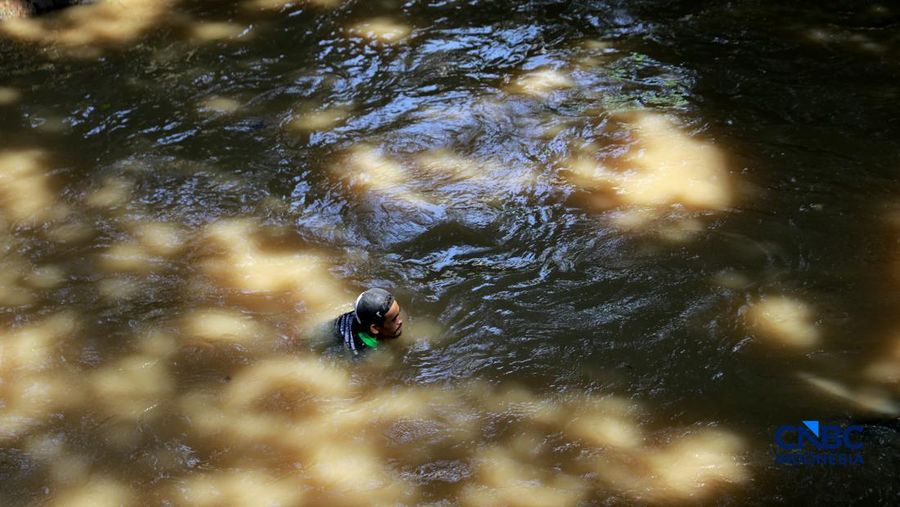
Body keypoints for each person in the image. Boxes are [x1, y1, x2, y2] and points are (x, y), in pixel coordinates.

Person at [333, 288, 403, 355]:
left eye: (398, 314)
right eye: (393, 319)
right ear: (375, 328)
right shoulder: (360, 351)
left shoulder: (364, 315)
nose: (400, 321)